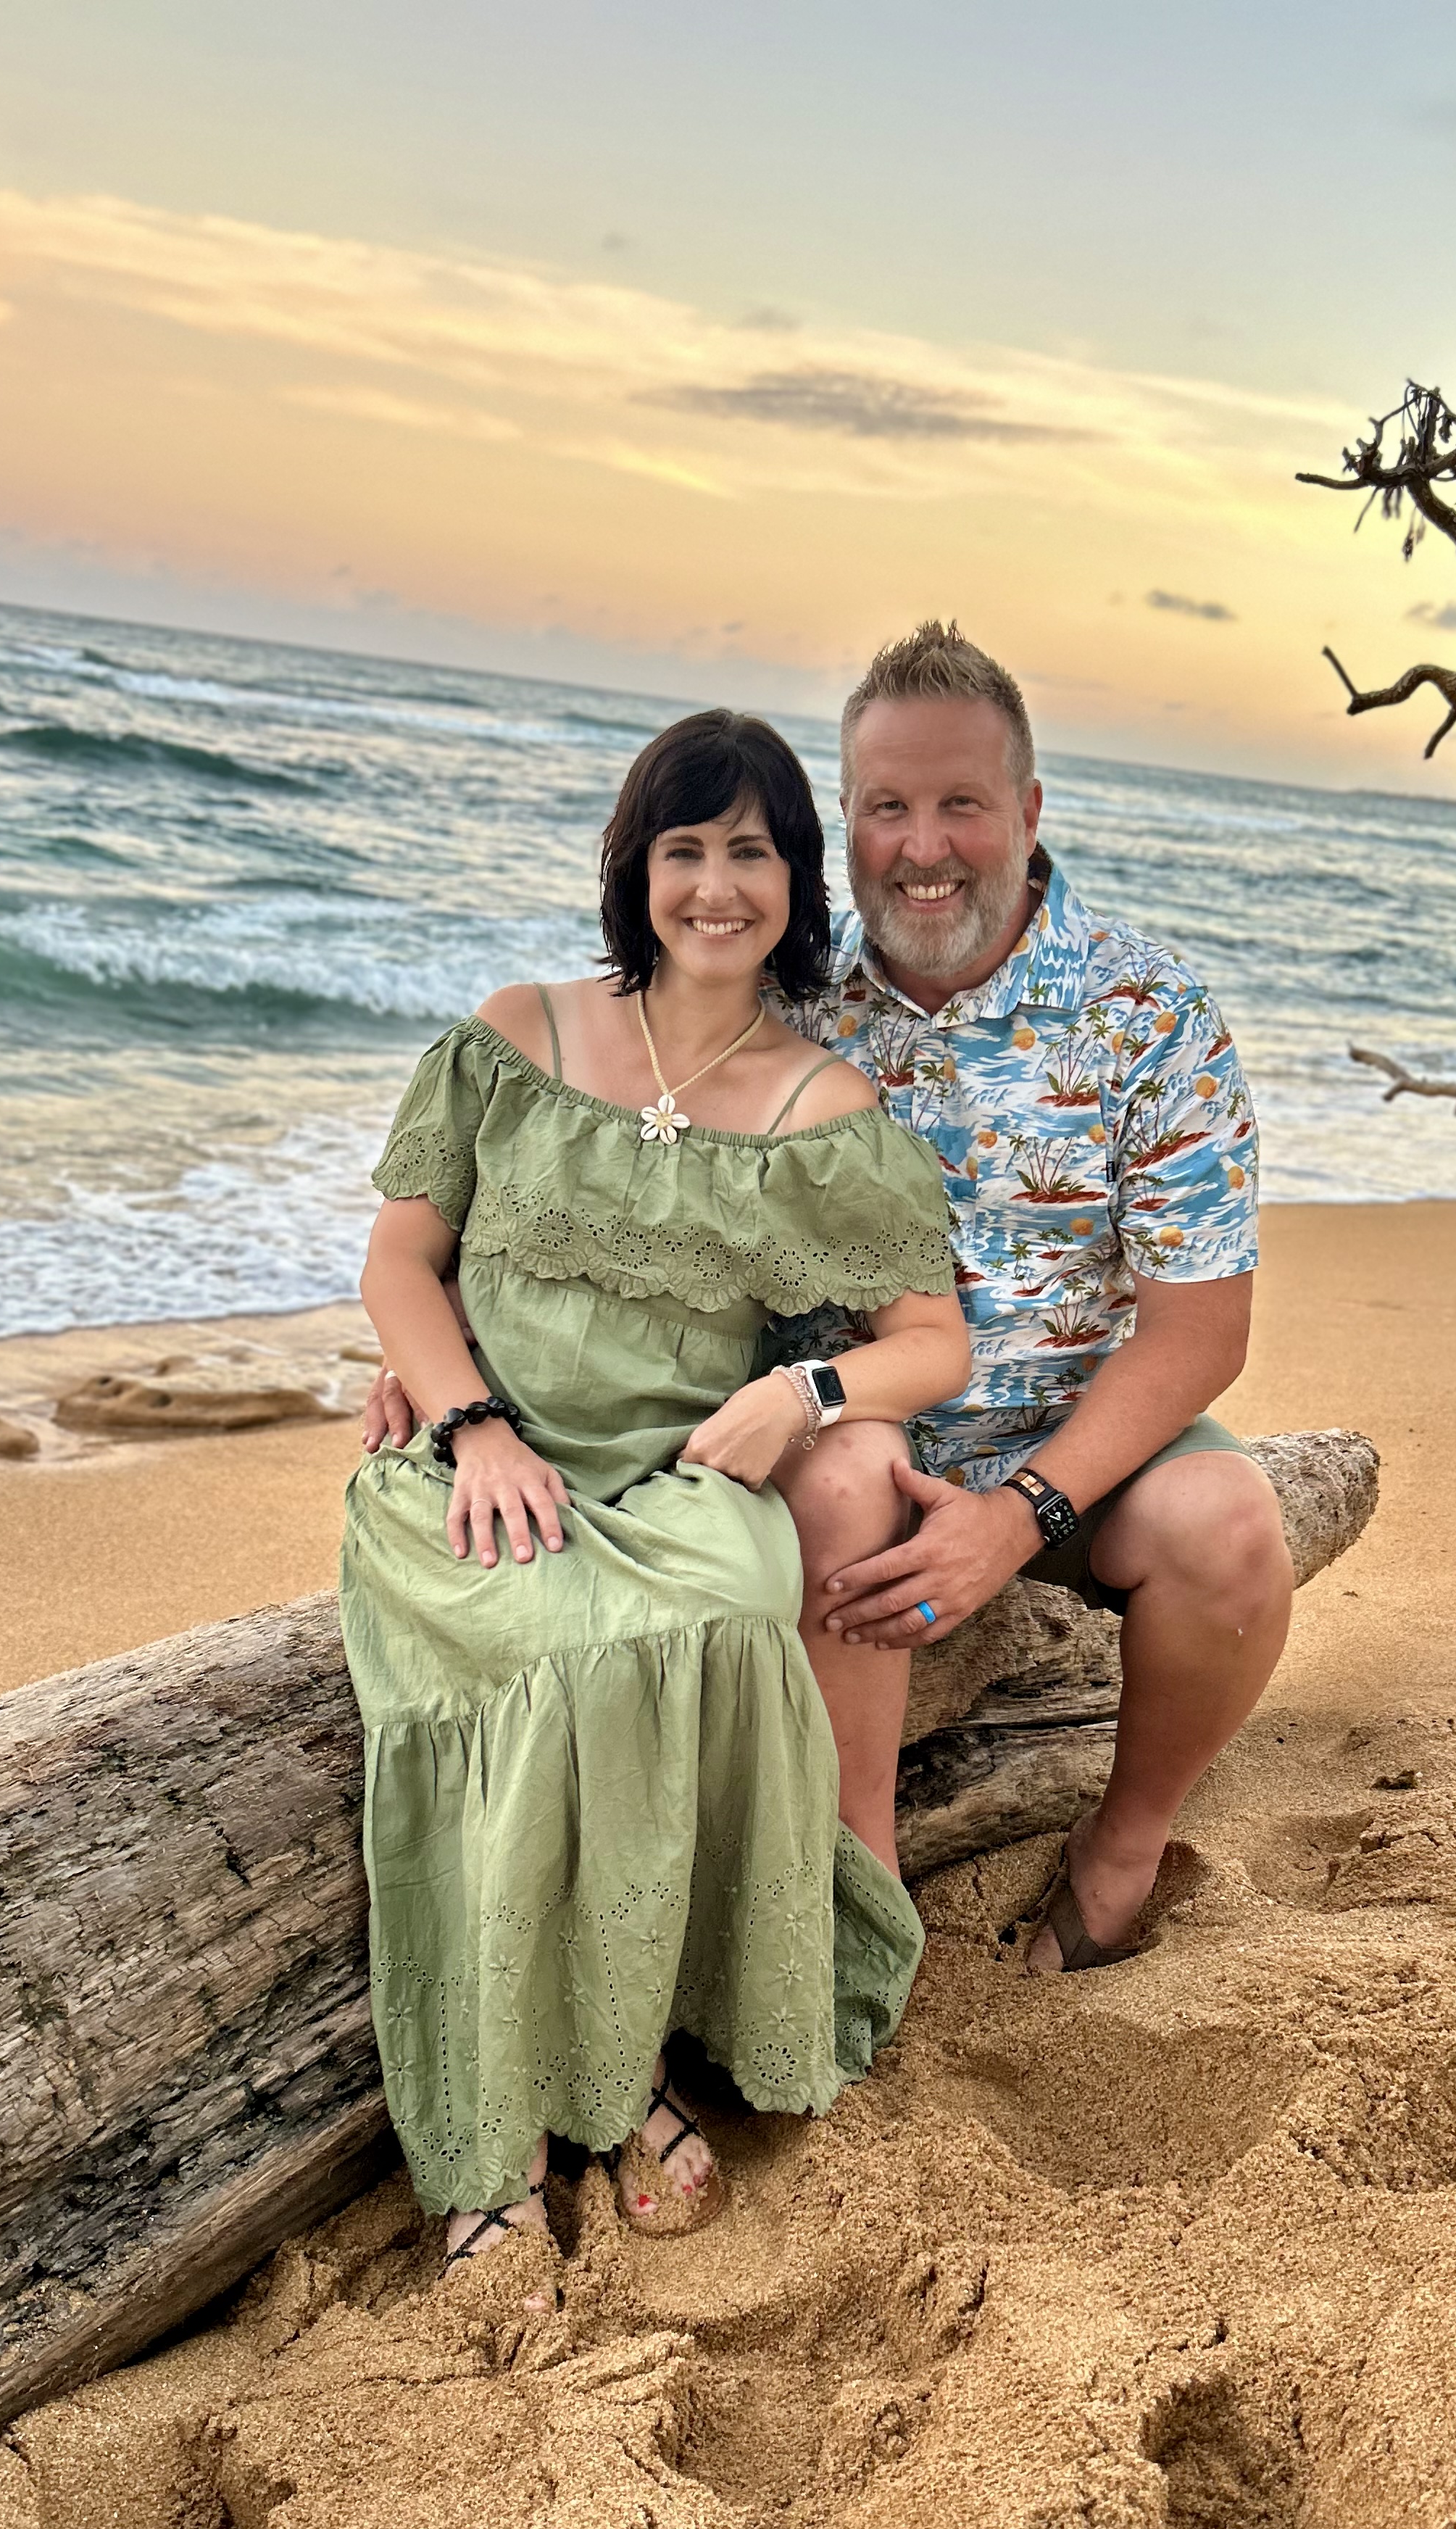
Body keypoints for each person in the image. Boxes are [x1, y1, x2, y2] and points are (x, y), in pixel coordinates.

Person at [367, 621, 1295, 1981]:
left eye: (962, 805)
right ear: (842, 829)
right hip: (826, 1448)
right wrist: (457, 1377)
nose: (924, 846)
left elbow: (1202, 1330)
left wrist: (1016, 1514)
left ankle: (1126, 1844)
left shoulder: (1150, 1018)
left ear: (1029, 812)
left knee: (1231, 1522)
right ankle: (843, 1882)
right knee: (852, 1468)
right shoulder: (785, 998)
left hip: (1077, 1461)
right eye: (887, 809)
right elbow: (592, 1170)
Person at [342, 708, 967, 2275]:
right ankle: (514, 2116)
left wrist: (803, 1390)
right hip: (479, 1466)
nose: (715, 884)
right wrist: (471, 1416)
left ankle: (631, 2074)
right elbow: (397, 1260)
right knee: (557, 1647)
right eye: (684, 848)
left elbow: (932, 1347)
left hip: (675, 1480)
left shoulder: (820, 1109)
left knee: (727, 1605)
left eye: (750, 850)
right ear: (639, 868)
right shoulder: (520, 1033)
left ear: (793, 877)